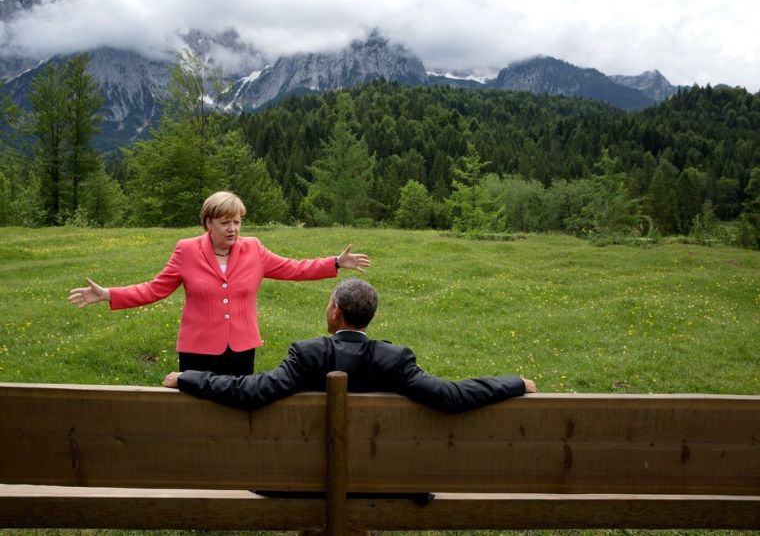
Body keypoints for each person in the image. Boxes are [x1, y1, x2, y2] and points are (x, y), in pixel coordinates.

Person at [68, 191, 370, 376]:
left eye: (237, 221)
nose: (233, 228)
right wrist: (108, 294)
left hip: (241, 348)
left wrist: (335, 262)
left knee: (236, 407)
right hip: (197, 348)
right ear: (208, 223)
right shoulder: (186, 250)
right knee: (196, 412)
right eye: (225, 222)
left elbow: (293, 268)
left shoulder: (253, 249)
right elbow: (155, 288)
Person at [163, 278, 536, 412]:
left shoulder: (307, 355)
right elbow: (452, 395)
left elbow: (250, 391)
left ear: (336, 312)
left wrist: (188, 377)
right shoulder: (394, 360)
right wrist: (516, 383)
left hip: (300, 483)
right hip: (381, 479)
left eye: (329, 303)